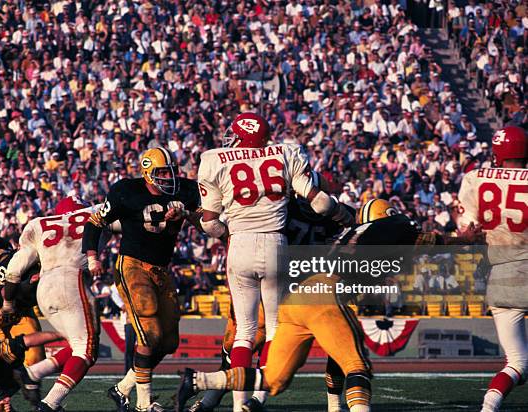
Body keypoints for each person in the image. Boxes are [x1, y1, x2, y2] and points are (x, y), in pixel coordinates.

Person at [176, 199, 484, 412]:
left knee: (275, 378)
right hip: (327, 292)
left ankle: (200, 380)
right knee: (358, 366)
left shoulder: (350, 232)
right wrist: (465, 239)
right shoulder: (394, 225)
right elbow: (431, 241)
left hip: (297, 298)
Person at [196, 112, 353, 411]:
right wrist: (343, 215)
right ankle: (258, 398)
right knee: (275, 329)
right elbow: (319, 202)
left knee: (244, 332)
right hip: (275, 244)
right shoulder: (285, 152)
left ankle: (238, 402)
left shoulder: (215, 160)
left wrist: (230, 230)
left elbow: (209, 225)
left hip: (240, 243)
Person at [82, 147, 201, 412]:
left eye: (171, 171)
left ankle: (122, 388)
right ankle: (144, 403)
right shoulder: (127, 190)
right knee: (150, 333)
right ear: (147, 173)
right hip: (132, 265)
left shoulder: (185, 190)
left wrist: (188, 214)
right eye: (161, 172)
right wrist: (93, 258)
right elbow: (94, 222)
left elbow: (206, 220)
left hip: (161, 269)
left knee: (169, 341)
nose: (168, 177)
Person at [2, 197, 113, 411]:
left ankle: (33, 373)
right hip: (71, 280)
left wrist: (8, 302)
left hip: (45, 288)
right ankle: (50, 404)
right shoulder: (94, 213)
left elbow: (14, 271)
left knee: (77, 344)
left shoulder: (38, 223)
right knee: (87, 349)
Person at [456, 126, 527, 412]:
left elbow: (466, 233)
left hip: (501, 278)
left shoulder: (476, 178)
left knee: (518, 362)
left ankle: (490, 403)